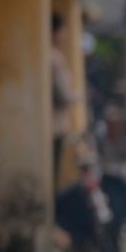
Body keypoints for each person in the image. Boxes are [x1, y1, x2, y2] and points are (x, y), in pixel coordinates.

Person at [51, 13, 78, 184]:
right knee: (54, 169)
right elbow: (62, 94)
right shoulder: (53, 57)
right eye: (62, 32)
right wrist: (76, 97)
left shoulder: (53, 55)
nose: (64, 36)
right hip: (55, 123)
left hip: (56, 123)